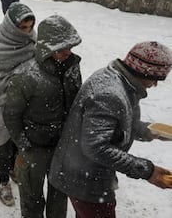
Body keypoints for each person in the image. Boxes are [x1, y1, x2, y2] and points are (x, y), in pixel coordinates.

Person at [49, 41, 172, 218]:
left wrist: (150, 131)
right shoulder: (109, 94)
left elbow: (119, 124)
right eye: (154, 78)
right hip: (84, 179)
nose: (154, 85)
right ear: (141, 71)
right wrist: (147, 170)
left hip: (83, 173)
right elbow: (96, 147)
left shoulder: (120, 82)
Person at [3, 15, 82, 218]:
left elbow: (76, 104)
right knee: (32, 199)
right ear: (47, 46)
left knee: (60, 197)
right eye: (61, 47)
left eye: (69, 46)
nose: (67, 52)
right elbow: (11, 114)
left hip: (62, 147)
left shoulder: (72, 68)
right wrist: (23, 144)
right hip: (33, 149)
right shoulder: (25, 76)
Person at [0, 3, 36, 206]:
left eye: (30, 27)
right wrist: (18, 81)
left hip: (23, 105)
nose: (27, 32)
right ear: (11, 27)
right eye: (22, 28)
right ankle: (3, 180)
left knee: (18, 141)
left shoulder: (32, 41)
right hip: (1, 105)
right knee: (4, 144)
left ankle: (14, 169)